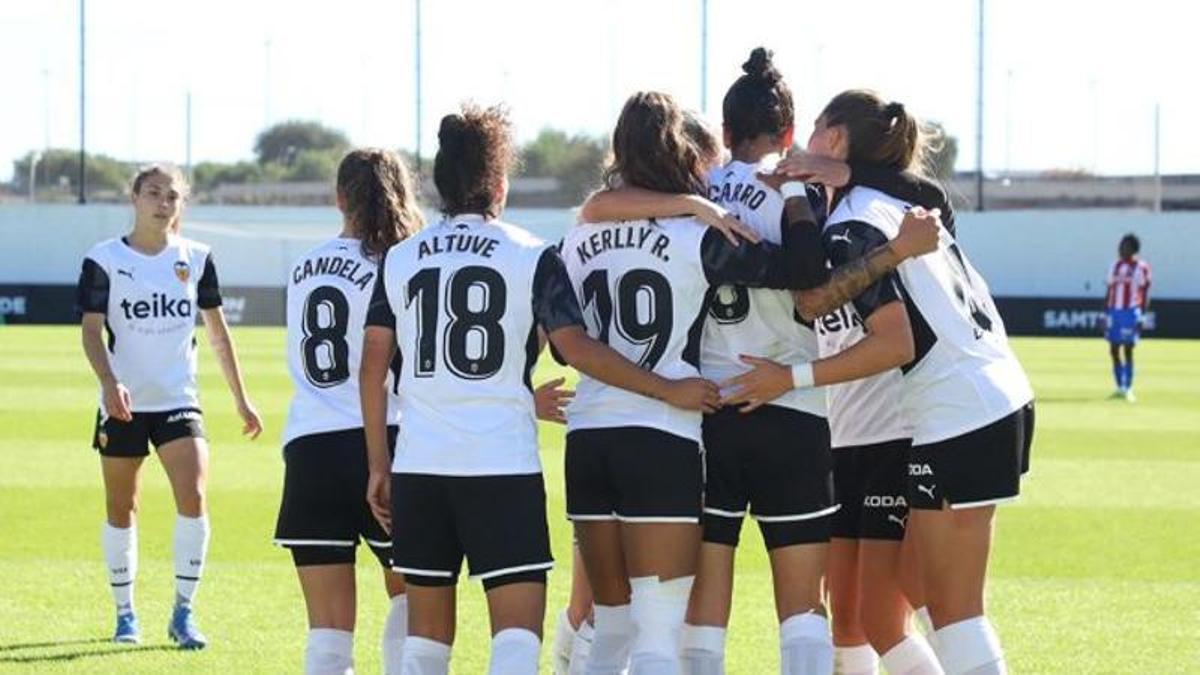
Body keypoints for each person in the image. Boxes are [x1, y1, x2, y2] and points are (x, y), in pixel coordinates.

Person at [580, 51, 939, 675]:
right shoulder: (808, 193)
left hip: (711, 409)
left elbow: (599, 206)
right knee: (801, 607)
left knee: (704, 605)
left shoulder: (695, 191)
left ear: (723, 133)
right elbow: (819, 281)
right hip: (793, 408)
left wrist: (695, 204)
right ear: (789, 133)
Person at [360, 103, 717, 675]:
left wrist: (380, 464)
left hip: (420, 467)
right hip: (501, 468)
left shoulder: (400, 259)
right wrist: (664, 388)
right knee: (516, 641)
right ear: (499, 184)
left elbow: (373, 366)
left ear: (440, 186)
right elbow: (575, 349)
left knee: (424, 644)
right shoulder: (531, 254)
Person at [743, 89, 1034, 675]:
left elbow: (875, 331)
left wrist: (790, 378)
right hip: (979, 398)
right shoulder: (884, 203)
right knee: (904, 596)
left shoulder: (856, 222)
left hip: (959, 410)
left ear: (833, 140)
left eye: (817, 130)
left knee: (954, 615)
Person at [76, 163, 263, 649]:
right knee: (122, 507)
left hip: (179, 401)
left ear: (182, 204)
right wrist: (109, 382)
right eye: (153, 192)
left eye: (172, 195)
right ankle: (125, 615)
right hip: (122, 404)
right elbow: (92, 331)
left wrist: (243, 401)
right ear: (134, 198)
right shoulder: (104, 259)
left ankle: (183, 613)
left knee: (195, 497)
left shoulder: (197, 258)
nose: (163, 202)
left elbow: (219, 336)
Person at [1103, 234, 1151, 401]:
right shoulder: (1114, 266)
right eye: (1120, 245)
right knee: (1114, 349)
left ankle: (1128, 388)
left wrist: (1142, 315)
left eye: (1125, 245)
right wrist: (1106, 313)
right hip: (1114, 312)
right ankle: (1119, 386)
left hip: (1130, 312)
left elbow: (1145, 291)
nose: (1121, 248)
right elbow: (1109, 290)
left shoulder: (1141, 267)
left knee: (1128, 349)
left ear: (1133, 249)